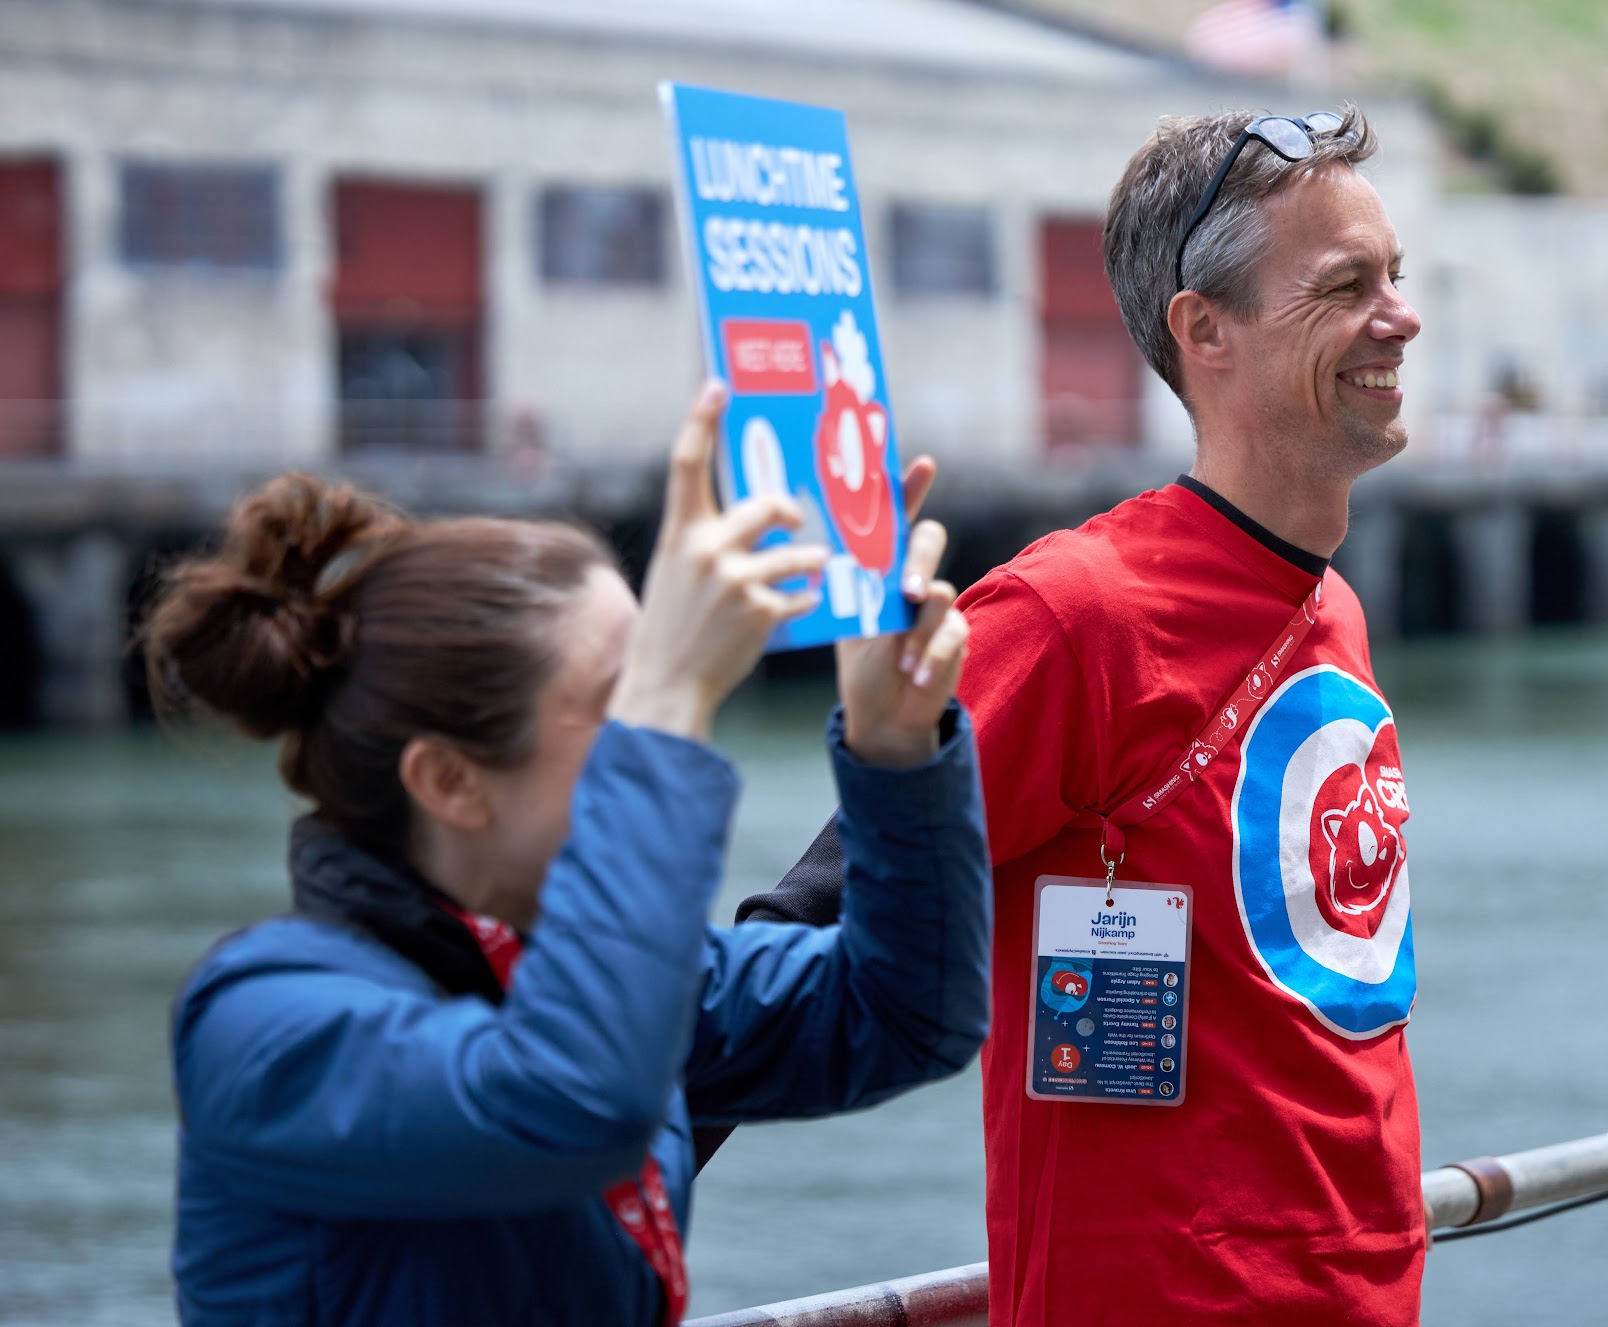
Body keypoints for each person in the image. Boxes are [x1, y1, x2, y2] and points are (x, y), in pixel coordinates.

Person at [739, 106, 1426, 1324]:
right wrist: (591, 1224)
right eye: (1344, 286)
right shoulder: (1074, 617)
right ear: (1203, 330)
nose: (1401, 316)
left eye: (1394, 278)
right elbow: (804, 928)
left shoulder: (1333, 610)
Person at [152, 384, 992, 1327]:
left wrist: (893, 745)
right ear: (451, 782)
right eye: (616, 703)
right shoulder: (269, 1022)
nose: (653, 725)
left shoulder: (586, 968)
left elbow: (907, 1013)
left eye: (650, 687)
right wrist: (671, 701)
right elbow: (569, 1101)